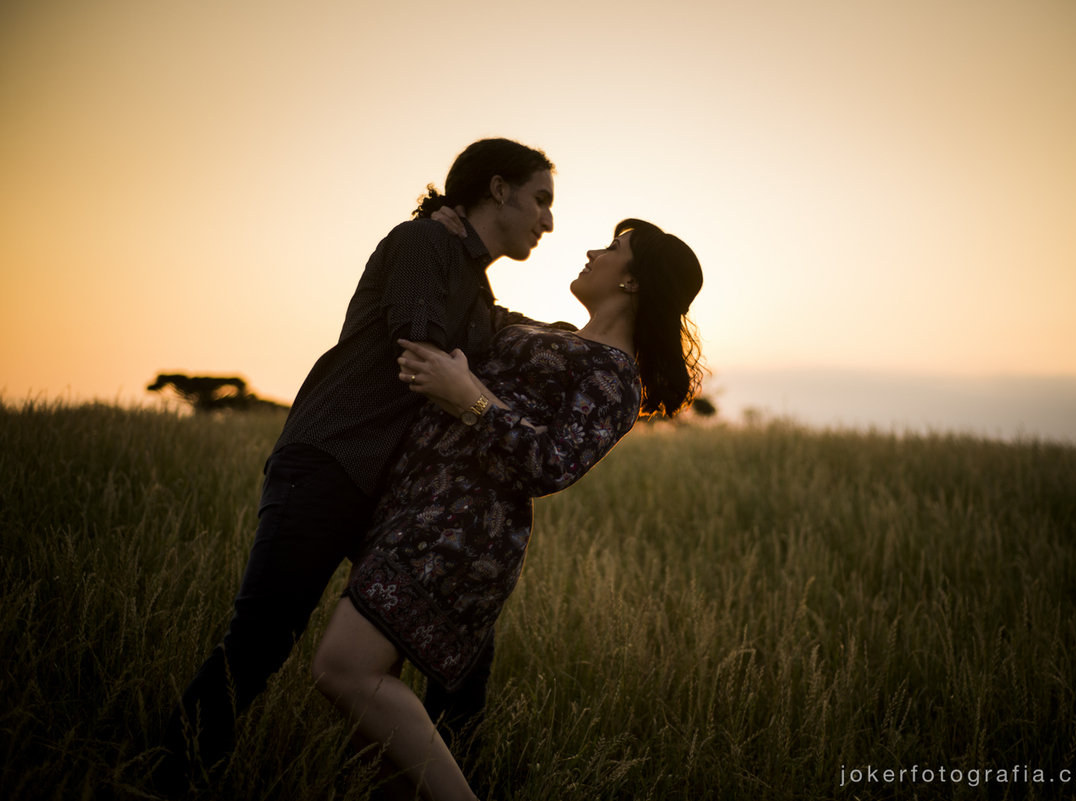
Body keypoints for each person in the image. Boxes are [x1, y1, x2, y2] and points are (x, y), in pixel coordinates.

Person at [154, 138, 560, 792]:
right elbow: (421, 350)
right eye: (540, 200)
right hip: (328, 462)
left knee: (462, 652)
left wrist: (589, 340)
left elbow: (491, 337)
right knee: (261, 638)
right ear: (497, 188)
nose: (548, 221)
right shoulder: (423, 243)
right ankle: (165, 777)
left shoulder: (475, 285)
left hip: (390, 495)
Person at [310, 217, 704, 800]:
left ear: (635, 282)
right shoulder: (550, 332)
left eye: (614, 247)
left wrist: (467, 396)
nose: (594, 251)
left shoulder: (616, 376)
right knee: (377, 747)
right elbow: (475, 311)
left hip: (461, 532)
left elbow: (551, 464)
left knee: (342, 669)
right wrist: (455, 225)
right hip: (412, 511)